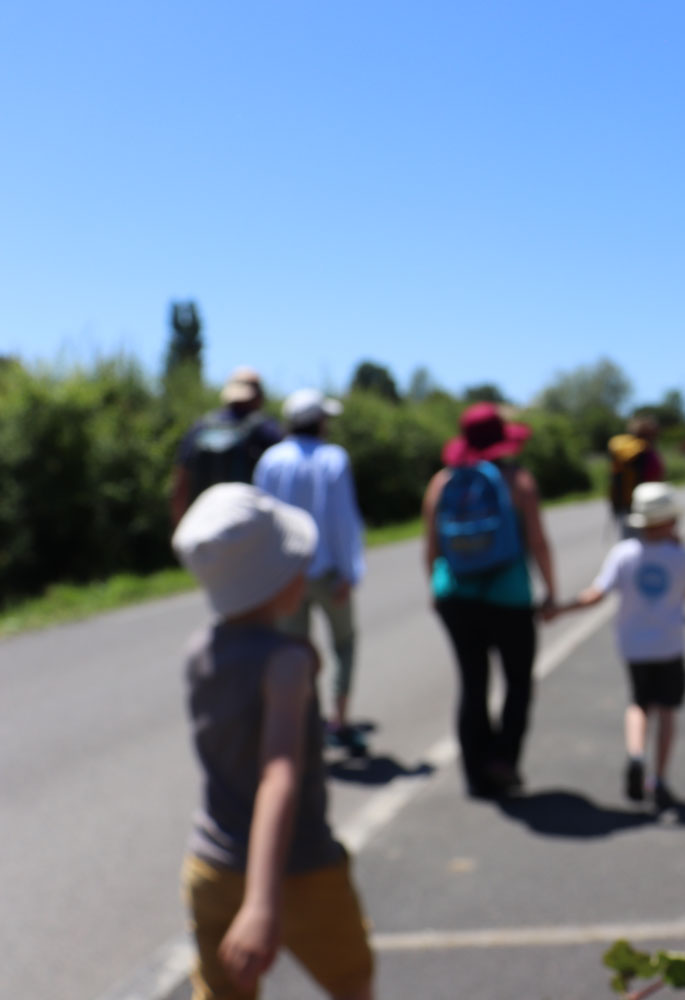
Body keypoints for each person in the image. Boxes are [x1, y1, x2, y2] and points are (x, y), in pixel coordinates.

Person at [172, 483, 374, 1000]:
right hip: (299, 872)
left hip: (211, 868)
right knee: (351, 985)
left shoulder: (198, 652)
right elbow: (277, 775)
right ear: (280, 580)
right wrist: (263, 902)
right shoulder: (286, 663)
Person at [422, 403, 557, 798]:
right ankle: (503, 759)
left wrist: (434, 586)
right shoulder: (518, 481)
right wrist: (550, 592)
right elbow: (538, 542)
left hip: (455, 595)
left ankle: (475, 775)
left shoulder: (442, 482)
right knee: (517, 682)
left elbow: (431, 547)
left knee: (472, 682)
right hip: (509, 597)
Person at [551, 482, 685, 811]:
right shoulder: (681, 555)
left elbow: (596, 594)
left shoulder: (623, 553)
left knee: (638, 703)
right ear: (669, 521)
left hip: (633, 646)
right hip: (669, 644)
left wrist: (560, 609)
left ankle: (636, 755)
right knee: (667, 710)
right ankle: (659, 779)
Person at [254, 389, 367, 756]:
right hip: (328, 572)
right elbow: (343, 521)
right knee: (344, 644)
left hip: (286, 575)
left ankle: (305, 722)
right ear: (318, 421)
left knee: (295, 652)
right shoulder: (333, 459)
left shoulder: (271, 460)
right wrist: (350, 571)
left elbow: (262, 518)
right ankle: (339, 719)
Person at [172, 367, 284, 525]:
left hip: (202, 522)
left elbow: (180, 483)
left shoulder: (201, 427)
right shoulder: (267, 430)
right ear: (259, 396)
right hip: (248, 526)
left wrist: (181, 527)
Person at [606, 417, 664, 538]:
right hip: (645, 502)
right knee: (645, 540)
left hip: (623, 503)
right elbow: (654, 479)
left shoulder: (626, 449)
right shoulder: (645, 451)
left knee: (627, 538)